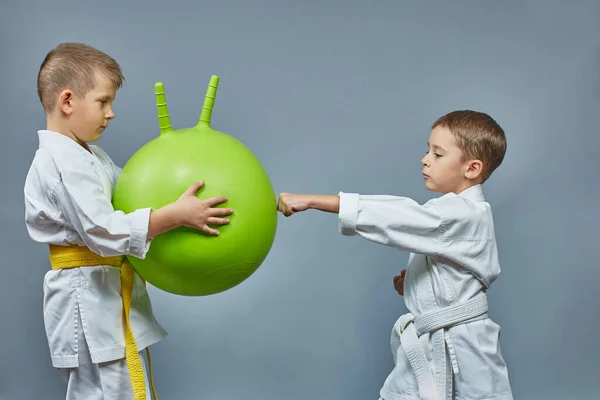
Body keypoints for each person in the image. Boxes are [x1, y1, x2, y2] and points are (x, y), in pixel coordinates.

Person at [23, 42, 233, 400]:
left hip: (103, 296)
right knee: (110, 393)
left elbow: (134, 196)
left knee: (127, 388)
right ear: (68, 101)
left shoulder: (90, 156)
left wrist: (179, 177)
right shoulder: (62, 162)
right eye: (103, 102)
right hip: (88, 306)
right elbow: (104, 230)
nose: (111, 113)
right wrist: (175, 215)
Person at [277, 110, 513, 399]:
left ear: (472, 168)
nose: (425, 159)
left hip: (462, 352)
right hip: (440, 344)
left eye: (438, 154)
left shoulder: (461, 214)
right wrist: (418, 286)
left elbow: (395, 215)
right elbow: (459, 280)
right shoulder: (457, 213)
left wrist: (314, 201)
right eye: (427, 150)